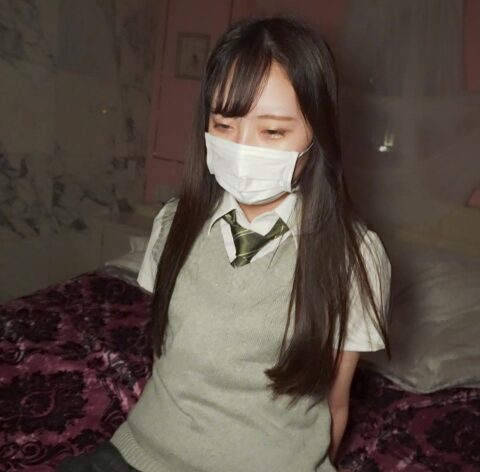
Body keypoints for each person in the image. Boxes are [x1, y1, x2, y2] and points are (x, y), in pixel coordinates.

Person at [58, 15, 391, 472]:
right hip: (140, 451)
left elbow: (335, 404)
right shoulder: (173, 223)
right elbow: (169, 354)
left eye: (273, 131)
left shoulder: (355, 258)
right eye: (224, 124)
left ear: (317, 133)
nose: (243, 148)